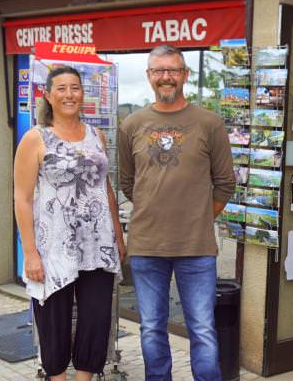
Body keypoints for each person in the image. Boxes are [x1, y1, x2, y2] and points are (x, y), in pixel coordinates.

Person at [118, 45, 235, 381]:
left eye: (173, 70)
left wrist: (199, 217)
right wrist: (156, 210)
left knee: (202, 329)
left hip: (196, 248)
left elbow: (225, 184)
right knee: (152, 328)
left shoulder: (209, 123)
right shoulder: (132, 124)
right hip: (146, 246)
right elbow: (129, 183)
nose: (166, 77)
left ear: (185, 75)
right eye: (159, 70)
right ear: (149, 76)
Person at [13, 65, 124, 381]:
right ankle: (57, 377)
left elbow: (105, 188)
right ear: (47, 95)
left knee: (95, 317)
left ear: (82, 94)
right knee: (53, 318)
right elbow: (22, 198)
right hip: (54, 244)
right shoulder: (35, 138)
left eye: (75, 87)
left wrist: (118, 235)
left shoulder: (96, 135)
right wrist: (30, 252)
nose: (69, 94)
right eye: (60, 88)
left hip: (98, 244)